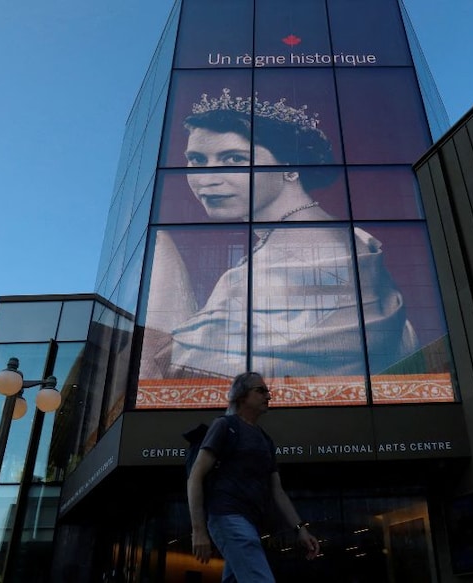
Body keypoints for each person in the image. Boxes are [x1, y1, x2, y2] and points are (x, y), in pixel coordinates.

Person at [141, 88, 416, 385]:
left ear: (291, 166)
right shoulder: (345, 237)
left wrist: (162, 250)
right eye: (196, 160)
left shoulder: (294, 260)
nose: (207, 178)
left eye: (234, 159)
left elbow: (175, 373)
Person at [187, 372, 320, 582]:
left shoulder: (265, 440)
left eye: (268, 391)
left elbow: (278, 492)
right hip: (228, 517)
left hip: (249, 523)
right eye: (261, 391)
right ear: (241, 396)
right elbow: (195, 477)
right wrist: (198, 531)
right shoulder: (225, 426)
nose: (268, 396)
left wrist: (301, 529)